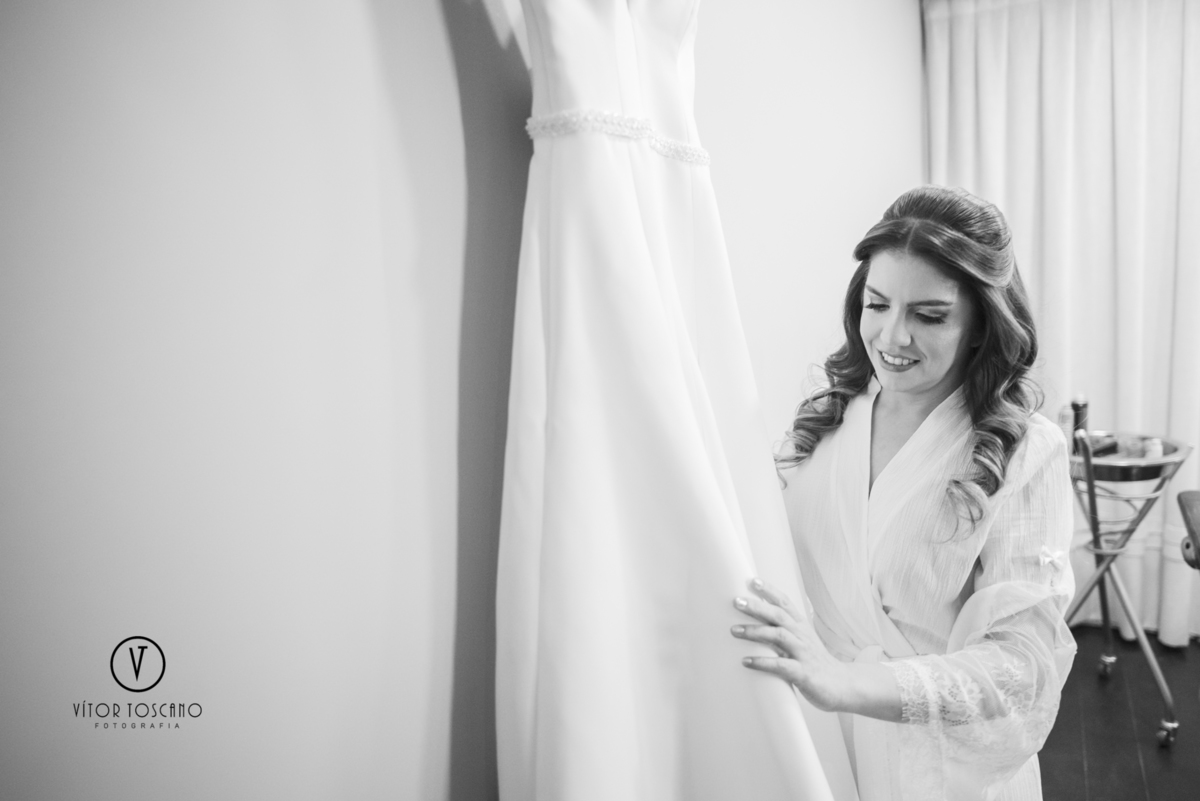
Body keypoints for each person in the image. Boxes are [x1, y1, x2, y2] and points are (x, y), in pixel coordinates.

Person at [729, 186, 1077, 801]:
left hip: (935, 767)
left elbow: (1022, 667)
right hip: (816, 740)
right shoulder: (826, 420)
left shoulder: (1025, 449)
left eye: (929, 315)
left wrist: (846, 683)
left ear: (981, 324)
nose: (892, 336)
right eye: (878, 304)